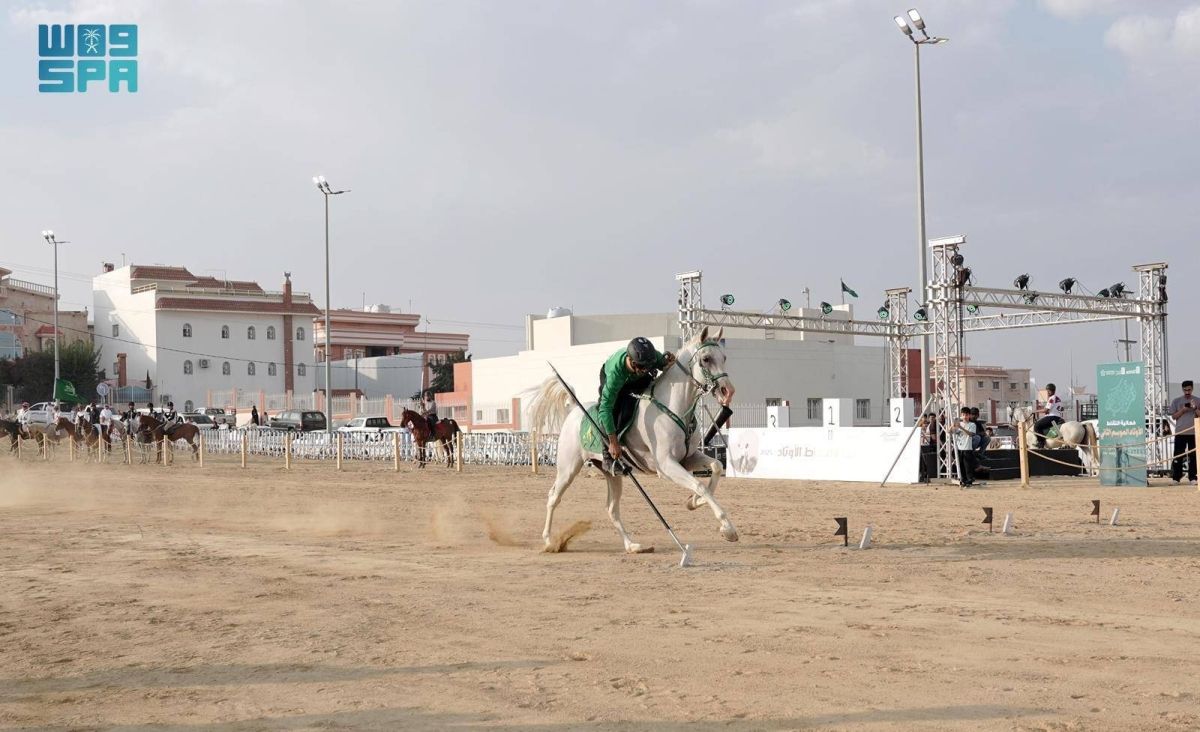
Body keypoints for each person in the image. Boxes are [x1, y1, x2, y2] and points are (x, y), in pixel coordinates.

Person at [597, 337, 676, 472]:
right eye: (641, 366)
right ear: (631, 361)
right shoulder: (615, 375)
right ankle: (607, 458)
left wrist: (668, 361)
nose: (645, 369)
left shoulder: (651, 358)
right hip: (617, 377)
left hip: (635, 378)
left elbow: (663, 364)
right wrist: (613, 442)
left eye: (648, 366)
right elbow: (605, 409)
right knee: (611, 409)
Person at [1169, 380, 1199, 485]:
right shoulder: (1176, 401)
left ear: (1192, 389)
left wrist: (1195, 408)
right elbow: (1173, 416)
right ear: (1182, 389)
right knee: (1178, 456)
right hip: (1180, 432)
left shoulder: (1197, 400)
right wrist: (1183, 410)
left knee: (1193, 456)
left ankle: (1193, 478)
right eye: (1185, 390)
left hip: (1194, 432)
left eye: (1189, 390)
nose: (1187, 392)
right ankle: (1176, 478)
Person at [949, 406, 978, 487]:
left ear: (969, 415)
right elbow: (949, 431)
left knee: (967, 466)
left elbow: (971, 434)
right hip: (959, 448)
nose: (965, 416)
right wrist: (953, 425)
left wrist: (961, 428)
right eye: (963, 415)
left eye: (966, 415)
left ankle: (969, 479)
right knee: (960, 465)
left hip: (967, 448)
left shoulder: (972, 424)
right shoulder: (959, 424)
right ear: (961, 415)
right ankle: (963, 480)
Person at [1034, 382, 1065, 448]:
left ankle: (1041, 443)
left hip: (1052, 417)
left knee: (1037, 425)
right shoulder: (1058, 398)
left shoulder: (1051, 399)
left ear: (1051, 391)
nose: (1047, 392)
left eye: (1048, 391)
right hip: (1058, 417)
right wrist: (1041, 408)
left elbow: (1046, 410)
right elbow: (1056, 409)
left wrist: (1035, 411)